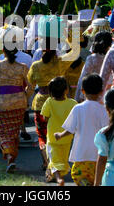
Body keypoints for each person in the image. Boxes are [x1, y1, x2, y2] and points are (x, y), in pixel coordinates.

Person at [27, 38, 78, 171]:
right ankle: (57, 162)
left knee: (42, 135)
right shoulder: (60, 63)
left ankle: (46, 161)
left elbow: (30, 85)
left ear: (42, 48)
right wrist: (67, 37)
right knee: (58, 133)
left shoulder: (36, 66)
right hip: (60, 103)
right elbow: (75, 52)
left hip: (40, 104)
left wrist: (24, 99)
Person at [0, 45, 33, 172]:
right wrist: (23, 96)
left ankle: (10, 156)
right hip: (19, 103)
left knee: (3, 132)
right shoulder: (22, 67)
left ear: (4, 52)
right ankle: (12, 158)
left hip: (2, 103)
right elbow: (31, 86)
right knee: (14, 131)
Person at [55, 74, 109, 186]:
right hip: (98, 155)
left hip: (81, 153)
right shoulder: (103, 110)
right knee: (97, 180)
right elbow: (107, 131)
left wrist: (60, 135)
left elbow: (70, 129)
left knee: (78, 175)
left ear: (83, 91)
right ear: (101, 91)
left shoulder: (78, 108)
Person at [40, 77, 77, 186]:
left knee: (53, 159)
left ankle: (58, 178)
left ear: (50, 91)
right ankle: (57, 175)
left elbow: (44, 117)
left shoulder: (49, 102)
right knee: (63, 159)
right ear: (66, 90)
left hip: (52, 136)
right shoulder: (72, 103)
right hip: (67, 137)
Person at [0, 46, 33, 141]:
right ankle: (22, 130)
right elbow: (29, 75)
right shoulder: (26, 58)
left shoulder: (1, 58)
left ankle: (15, 133)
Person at [75, 32, 112, 102]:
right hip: (107, 94)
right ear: (110, 44)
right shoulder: (111, 57)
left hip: (91, 94)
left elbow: (83, 77)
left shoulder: (92, 58)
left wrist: (78, 97)